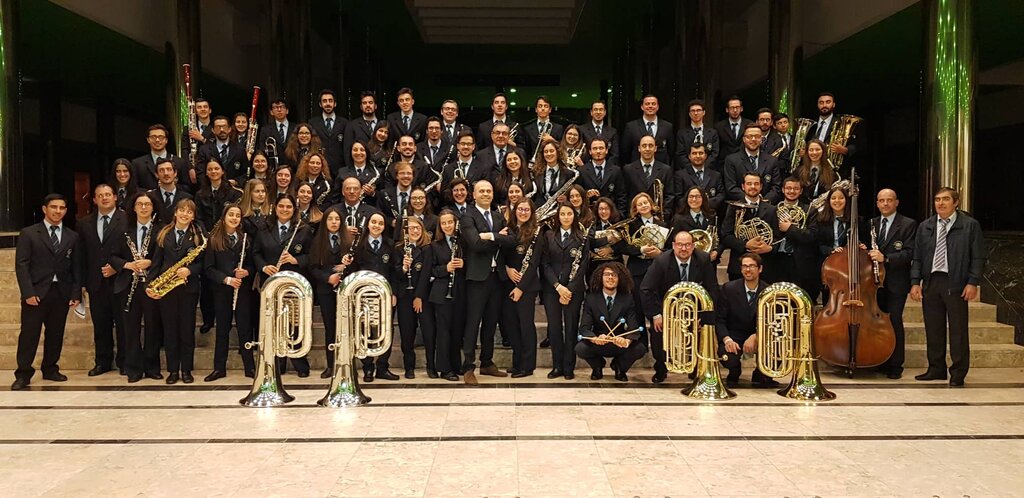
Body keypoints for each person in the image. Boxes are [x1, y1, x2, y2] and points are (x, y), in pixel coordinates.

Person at [910, 187, 984, 387]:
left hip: (956, 282)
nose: (940, 203)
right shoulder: (926, 226)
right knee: (933, 328)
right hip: (932, 282)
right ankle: (936, 368)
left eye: (945, 199)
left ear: (956, 202)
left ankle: (958, 372)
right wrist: (915, 282)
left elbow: (977, 257)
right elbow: (917, 257)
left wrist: (973, 282)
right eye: (937, 200)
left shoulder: (969, 225)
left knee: (958, 330)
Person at [11, 194, 83, 390]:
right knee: (29, 334)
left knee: (56, 333)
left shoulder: (72, 236)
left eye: (61, 208)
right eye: (53, 207)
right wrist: (28, 293)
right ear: (45, 209)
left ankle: (50, 368)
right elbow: (22, 266)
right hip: (36, 292)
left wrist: (75, 294)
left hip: (61, 291)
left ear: (66, 211)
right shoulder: (29, 233)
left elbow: (76, 267)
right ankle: (23, 373)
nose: (57, 211)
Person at [639, 230, 720, 383]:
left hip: (694, 309)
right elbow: (646, 289)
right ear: (673, 245)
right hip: (666, 309)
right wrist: (656, 315)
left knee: (702, 331)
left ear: (693, 246)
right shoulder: (662, 261)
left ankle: (696, 367)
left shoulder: (703, 259)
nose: (684, 249)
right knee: (657, 333)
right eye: (680, 245)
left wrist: (703, 317)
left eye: (687, 245)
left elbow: (713, 289)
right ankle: (661, 368)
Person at [252, 194, 313, 378]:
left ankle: (299, 361)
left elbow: (312, 255)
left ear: (294, 209)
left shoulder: (303, 229)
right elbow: (255, 253)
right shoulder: (263, 228)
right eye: (281, 206)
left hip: (293, 284)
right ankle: (278, 362)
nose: (285, 210)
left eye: (289, 207)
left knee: (294, 322)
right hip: (270, 284)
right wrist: (263, 266)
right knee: (274, 322)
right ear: (275, 208)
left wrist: (296, 260)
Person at [145, 198, 205, 385]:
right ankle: (173, 370)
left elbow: (203, 263)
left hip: (188, 289)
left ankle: (186, 370)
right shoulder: (164, 233)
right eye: (182, 210)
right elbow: (156, 262)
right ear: (175, 212)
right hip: (167, 289)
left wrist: (190, 270)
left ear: (193, 216)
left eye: (189, 212)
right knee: (170, 331)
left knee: (187, 331)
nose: (184, 214)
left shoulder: (197, 236)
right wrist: (150, 284)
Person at [460, 180, 513, 384]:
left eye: (489, 191)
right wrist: (498, 239)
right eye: (481, 191)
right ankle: (468, 366)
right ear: (473, 194)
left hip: (496, 277)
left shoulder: (499, 217)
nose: (485, 193)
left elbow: (511, 241)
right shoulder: (467, 216)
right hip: (477, 277)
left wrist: (491, 235)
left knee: (491, 321)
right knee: (473, 322)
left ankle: (487, 362)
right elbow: (474, 244)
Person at [203, 204, 256, 381]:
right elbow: (208, 268)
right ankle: (219, 368)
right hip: (222, 291)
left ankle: (250, 367)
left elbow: (252, 265)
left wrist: (246, 272)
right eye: (231, 215)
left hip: (242, 290)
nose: (234, 218)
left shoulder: (245, 239)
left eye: (238, 216)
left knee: (245, 329)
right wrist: (226, 279)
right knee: (222, 330)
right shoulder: (213, 239)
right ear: (224, 217)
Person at [112, 192, 161, 382]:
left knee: (153, 327)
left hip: (151, 284)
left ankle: (152, 367)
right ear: (133, 207)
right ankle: (133, 369)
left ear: (153, 207)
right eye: (139, 204)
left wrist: (150, 262)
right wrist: (127, 265)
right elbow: (113, 256)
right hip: (128, 284)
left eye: (147, 204)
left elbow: (163, 257)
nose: (143, 208)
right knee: (130, 328)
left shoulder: (160, 230)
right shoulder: (123, 230)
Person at [79, 184, 128, 376]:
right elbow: (81, 255)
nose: (105, 198)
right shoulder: (84, 223)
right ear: (94, 200)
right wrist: (82, 283)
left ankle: (124, 361)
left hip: (120, 280)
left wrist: (118, 267)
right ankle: (102, 362)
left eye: (108, 194)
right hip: (96, 282)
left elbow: (133, 249)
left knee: (123, 324)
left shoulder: (126, 219)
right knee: (101, 324)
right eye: (100, 196)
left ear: (115, 197)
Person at [869, 188, 917, 379]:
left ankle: (896, 365)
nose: (885, 204)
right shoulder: (871, 223)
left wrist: (886, 258)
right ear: (878, 203)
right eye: (881, 200)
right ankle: (880, 360)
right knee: (876, 322)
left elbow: (909, 253)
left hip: (896, 282)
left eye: (889, 200)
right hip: (873, 282)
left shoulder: (908, 224)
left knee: (894, 320)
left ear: (896, 202)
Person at [540, 204, 591, 380]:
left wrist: (569, 289)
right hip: (551, 290)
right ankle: (557, 366)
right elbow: (544, 264)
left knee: (571, 329)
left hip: (573, 291)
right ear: (558, 217)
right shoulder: (548, 236)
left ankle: (569, 367)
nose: (566, 217)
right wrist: (557, 286)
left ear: (574, 216)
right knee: (554, 329)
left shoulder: (582, 237)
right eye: (562, 214)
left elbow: (583, 266)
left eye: (569, 214)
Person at [716, 253, 780, 388]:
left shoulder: (769, 291)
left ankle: (761, 374)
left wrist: (757, 335)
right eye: (744, 266)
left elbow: (774, 322)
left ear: (760, 269)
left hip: (761, 336)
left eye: (751, 266)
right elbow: (720, 319)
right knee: (728, 358)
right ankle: (734, 371)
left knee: (777, 350)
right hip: (735, 336)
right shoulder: (729, 288)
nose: (748, 270)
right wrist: (727, 339)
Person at [349, 210, 400, 381]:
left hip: (385, 296)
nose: (376, 226)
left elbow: (394, 271)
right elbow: (352, 271)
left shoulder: (390, 245)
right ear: (368, 224)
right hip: (363, 296)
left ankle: (383, 367)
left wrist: (393, 292)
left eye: (380, 223)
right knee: (365, 330)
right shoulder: (358, 246)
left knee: (386, 330)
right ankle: (368, 367)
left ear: (384, 227)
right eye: (373, 222)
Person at [576, 261, 647, 382]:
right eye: (607, 274)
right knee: (581, 348)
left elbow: (633, 326)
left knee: (639, 348)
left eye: (614, 275)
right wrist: (595, 338)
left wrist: (626, 341)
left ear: (620, 278)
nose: (610, 278)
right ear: (600, 277)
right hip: (599, 341)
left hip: (618, 340)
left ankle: (619, 367)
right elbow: (584, 328)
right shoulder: (591, 298)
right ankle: (597, 366)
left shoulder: (627, 298)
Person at [420, 209, 465, 381]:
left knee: (457, 331)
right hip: (440, 294)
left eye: (450, 222)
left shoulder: (462, 243)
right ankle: (445, 369)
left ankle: (455, 365)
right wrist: (445, 269)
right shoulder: (434, 245)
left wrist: (463, 263)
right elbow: (429, 270)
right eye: (444, 223)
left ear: (455, 224)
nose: (447, 226)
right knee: (444, 332)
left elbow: (470, 263)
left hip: (459, 292)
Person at [308, 206, 354, 378]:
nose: (334, 222)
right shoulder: (317, 241)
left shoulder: (349, 240)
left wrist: (346, 267)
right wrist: (328, 278)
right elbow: (312, 268)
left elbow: (356, 265)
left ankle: (347, 362)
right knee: (330, 327)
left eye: (337, 219)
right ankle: (331, 364)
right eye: (330, 219)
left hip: (345, 290)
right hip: (326, 290)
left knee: (346, 327)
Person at [500, 198, 543, 378]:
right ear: (514, 210)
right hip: (507, 283)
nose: (523, 212)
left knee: (525, 325)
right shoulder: (507, 230)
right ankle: (517, 363)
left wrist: (521, 288)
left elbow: (534, 264)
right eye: (520, 209)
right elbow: (499, 255)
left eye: (527, 210)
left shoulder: (536, 232)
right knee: (511, 326)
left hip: (527, 287)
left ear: (531, 212)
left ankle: (528, 366)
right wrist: (507, 270)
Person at [720, 172, 780, 282]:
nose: (753, 187)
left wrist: (769, 248)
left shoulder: (771, 209)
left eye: (756, 184)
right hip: (738, 267)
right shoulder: (733, 207)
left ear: (761, 186)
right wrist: (746, 244)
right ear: (743, 186)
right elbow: (725, 236)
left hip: (765, 267)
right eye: (749, 183)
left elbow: (778, 238)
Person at [393, 215, 431, 378]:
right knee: (407, 333)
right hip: (404, 297)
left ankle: (431, 365)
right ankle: (409, 366)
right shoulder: (398, 249)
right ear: (405, 231)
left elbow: (425, 274)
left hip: (422, 297)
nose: (415, 231)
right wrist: (403, 268)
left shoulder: (428, 248)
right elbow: (394, 274)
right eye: (411, 228)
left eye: (418, 228)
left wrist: (419, 296)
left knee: (429, 331)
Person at [723, 123, 782, 203]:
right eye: (750, 136)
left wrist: (763, 201)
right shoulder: (732, 160)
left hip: (766, 207)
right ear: (744, 139)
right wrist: (752, 199)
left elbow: (776, 186)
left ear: (761, 139)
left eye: (757, 136)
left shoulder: (772, 161)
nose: (753, 139)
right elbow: (731, 187)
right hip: (741, 206)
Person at [805, 92, 860, 178]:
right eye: (821, 102)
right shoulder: (811, 124)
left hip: (834, 169)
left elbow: (855, 145)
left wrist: (845, 150)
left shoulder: (843, 123)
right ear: (817, 105)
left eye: (828, 102)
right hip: (812, 167)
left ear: (833, 104)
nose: (824, 105)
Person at [132, 124, 193, 192]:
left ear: (166, 140)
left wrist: (171, 186)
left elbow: (188, 188)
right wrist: (151, 193)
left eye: (161, 137)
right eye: (153, 137)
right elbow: (133, 188)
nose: (157, 140)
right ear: (148, 140)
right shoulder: (137, 163)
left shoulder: (180, 162)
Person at [623, 135, 675, 215]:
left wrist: (662, 215)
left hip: (658, 219)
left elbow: (670, 196)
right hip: (635, 218)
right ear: (639, 148)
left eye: (650, 146)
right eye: (644, 146)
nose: (647, 149)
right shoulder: (628, 170)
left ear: (655, 148)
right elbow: (625, 196)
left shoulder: (666, 170)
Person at [670, 186, 719, 262]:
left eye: (697, 197)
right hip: (686, 261)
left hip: (708, 261)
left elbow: (719, 237)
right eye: (691, 197)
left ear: (703, 198)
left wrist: (716, 251)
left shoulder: (712, 216)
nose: (694, 199)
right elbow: (673, 241)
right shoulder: (678, 219)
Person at [195, 115, 250, 185]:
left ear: (229, 129)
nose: (222, 130)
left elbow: (245, 174)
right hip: (211, 191)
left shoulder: (240, 149)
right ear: (213, 130)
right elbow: (200, 173)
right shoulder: (205, 150)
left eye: (224, 127)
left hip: (234, 191)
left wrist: (236, 182)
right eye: (218, 127)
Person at [577, 137, 626, 214]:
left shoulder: (616, 170)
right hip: (589, 214)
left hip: (611, 215)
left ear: (606, 150)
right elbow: (577, 195)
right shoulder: (581, 171)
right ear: (590, 151)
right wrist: (587, 193)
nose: (598, 151)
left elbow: (621, 196)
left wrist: (620, 214)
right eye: (595, 148)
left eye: (601, 148)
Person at [621, 95, 674, 164]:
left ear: (657, 107)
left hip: (661, 169)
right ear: (642, 107)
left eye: (653, 104)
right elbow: (625, 151)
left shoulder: (667, 126)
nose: (650, 106)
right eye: (647, 104)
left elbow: (671, 151)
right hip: (637, 169)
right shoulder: (631, 127)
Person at [674, 142, 725, 214]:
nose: (698, 156)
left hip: (710, 215)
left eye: (700, 153)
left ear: (705, 156)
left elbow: (721, 196)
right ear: (689, 156)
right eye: (694, 153)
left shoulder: (716, 175)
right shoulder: (680, 175)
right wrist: (695, 205)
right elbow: (678, 198)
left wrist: (704, 204)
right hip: (687, 217)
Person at [309, 89, 348, 174]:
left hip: (340, 168)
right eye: (324, 101)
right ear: (320, 104)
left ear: (335, 104)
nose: (327, 104)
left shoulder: (344, 123)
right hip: (320, 167)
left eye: (330, 101)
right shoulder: (313, 123)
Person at [530, 138, 575, 209]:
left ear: (558, 152)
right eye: (546, 151)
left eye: (551, 151)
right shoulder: (536, 172)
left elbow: (572, 195)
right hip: (539, 211)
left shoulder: (569, 174)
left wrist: (566, 199)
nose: (549, 154)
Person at [675, 99, 720, 170]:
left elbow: (715, 153)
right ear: (689, 114)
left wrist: (703, 168)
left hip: (709, 172)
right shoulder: (681, 133)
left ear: (704, 112)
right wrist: (693, 169)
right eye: (693, 111)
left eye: (698, 110)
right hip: (688, 172)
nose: (696, 113)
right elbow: (680, 154)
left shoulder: (712, 133)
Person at [343, 91, 381, 168]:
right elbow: (347, 151)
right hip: (359, 168)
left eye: (370, 102)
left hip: (380, 168)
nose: (367, 105)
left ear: (375, 106)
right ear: (361, 107)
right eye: (364, 103)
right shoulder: (352, 125)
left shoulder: (383, 125)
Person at [150, 158, 193, 227]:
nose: (166, 173)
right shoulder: (149, 197)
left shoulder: (187, 198)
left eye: (169, 169)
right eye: (161, 170)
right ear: (156, 175)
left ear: (175, 173)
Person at [713, 96, 754, 167]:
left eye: (737, 107)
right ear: (727, 110)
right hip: (724, 165)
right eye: (732, 108)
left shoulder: (750, 125)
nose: (735, 110)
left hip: (745, 164)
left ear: (741, 109)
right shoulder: (719, 127)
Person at [522, 95, 565, 162]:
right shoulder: (527, 129)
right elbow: (526, 150)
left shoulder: (558, 128)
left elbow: (563, 148)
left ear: (550, 110)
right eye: (540, 106)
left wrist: (552, 140)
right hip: (533, 164)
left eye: (546, 106)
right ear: (536, 109)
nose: (543, 108)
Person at [794, 139, 838, 203]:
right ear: (807, 152)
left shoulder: (832, 173)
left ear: (823, 152)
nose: (814, 153)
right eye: (811, 150)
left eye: (817, 150)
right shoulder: (798, 171)